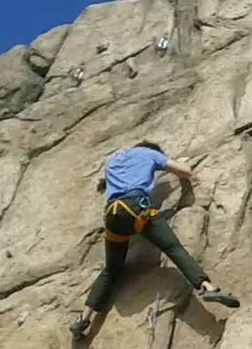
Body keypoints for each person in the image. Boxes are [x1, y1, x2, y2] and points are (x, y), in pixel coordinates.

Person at [69, 141, 240, 338]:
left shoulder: (114, 160)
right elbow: (184, 172)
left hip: (113, 216)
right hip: (137, 210)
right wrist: (182, 163)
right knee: (173, 248)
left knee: (111, 269)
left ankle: (84, 319)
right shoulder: (149, 154)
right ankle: (207, 287)